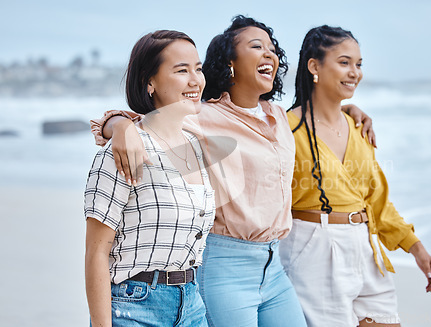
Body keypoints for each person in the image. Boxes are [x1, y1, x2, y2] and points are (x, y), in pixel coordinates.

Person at [89, 16, 374, 327]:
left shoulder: (280, 116)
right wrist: (118, 124)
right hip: (226, 263)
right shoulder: (205, 117)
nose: (269, 53)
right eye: (256, 46)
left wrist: (348, 110)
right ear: (230, 64)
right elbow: (150, 120)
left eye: (271, 47)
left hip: (273, 264)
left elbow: (317, 116)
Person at [279, 25, 431, 327]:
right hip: (312, 250)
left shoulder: (359, 127)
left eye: (359, 64)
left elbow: (376, 199)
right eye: (344, 62)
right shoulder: (285, 128)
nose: (355, 72)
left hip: (365, 246)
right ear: (314, 66)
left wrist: (415, 246)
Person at [84, 30, 215, 327]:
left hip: (192, 304)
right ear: (150, 82)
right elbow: (96, 252)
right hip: (135, 307)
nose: (195, 80)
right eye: (182, 70)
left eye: (198, 68)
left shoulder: (195, 144)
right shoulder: (124, 150)